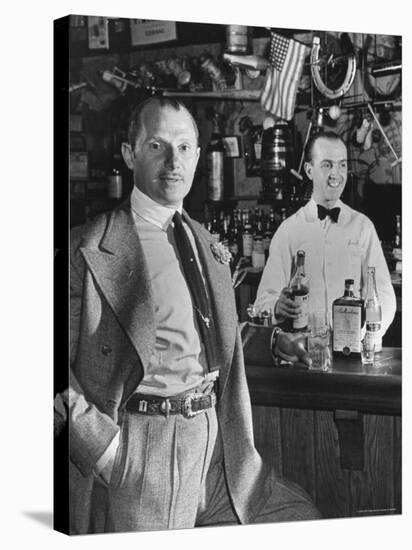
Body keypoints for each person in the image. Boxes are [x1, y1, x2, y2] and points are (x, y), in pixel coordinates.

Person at [58, 96, 320, 534]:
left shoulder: (205, 243)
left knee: (302, 521)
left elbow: (208, 334)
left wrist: (273, 341)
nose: (172, 160)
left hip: (219, 447)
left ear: (198, 157)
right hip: (144, 449)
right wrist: (103, 449)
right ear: (130, 154)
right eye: (157, 146)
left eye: (183, 147)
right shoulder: (86, 248)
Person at [255, 131, 396, 336]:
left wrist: (366, 335)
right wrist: (277, 307)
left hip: (353, 349)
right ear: (309, 170)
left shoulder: (363, 227)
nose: (336, 174)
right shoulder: (288, 231)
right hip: (303, 351)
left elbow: (383, 295)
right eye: (327, 164)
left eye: (342, 165)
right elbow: (264, 300)